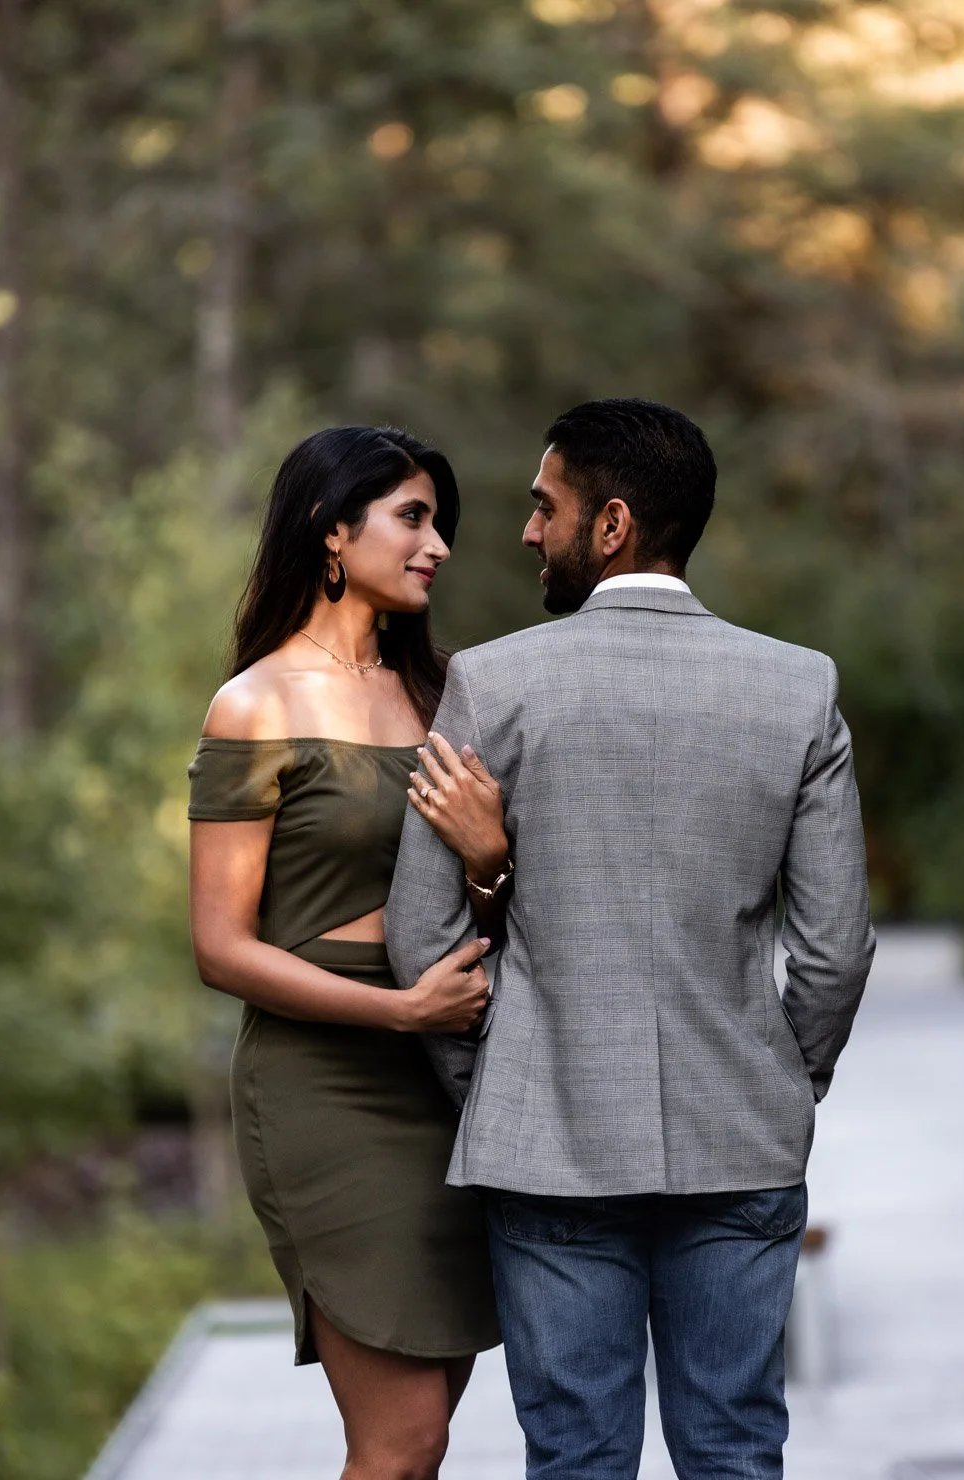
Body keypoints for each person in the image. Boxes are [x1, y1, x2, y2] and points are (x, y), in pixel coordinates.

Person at [385, 397, 877, 1480]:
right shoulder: (798, 687)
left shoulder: (493, 683)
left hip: (549, 1144)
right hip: (741, 1135)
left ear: (609, 526)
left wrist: (498, 1078)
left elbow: (419, 932)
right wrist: (783, 1076)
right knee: (736, 1447)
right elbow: (835, 947)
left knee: (574, 1455)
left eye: (542, 507)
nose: (525, 531)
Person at [186, 426, 504, 1480]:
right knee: (400, 1441)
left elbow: (494, 896)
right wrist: (395, 1011)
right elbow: (221, 948)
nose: (439, 545)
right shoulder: (256, 705)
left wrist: (489, 857)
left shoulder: (446, 698)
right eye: (413, 517)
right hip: (326, 1084)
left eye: (438, 521)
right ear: (332, 531)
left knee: (428, 1440)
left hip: (452, 1079)